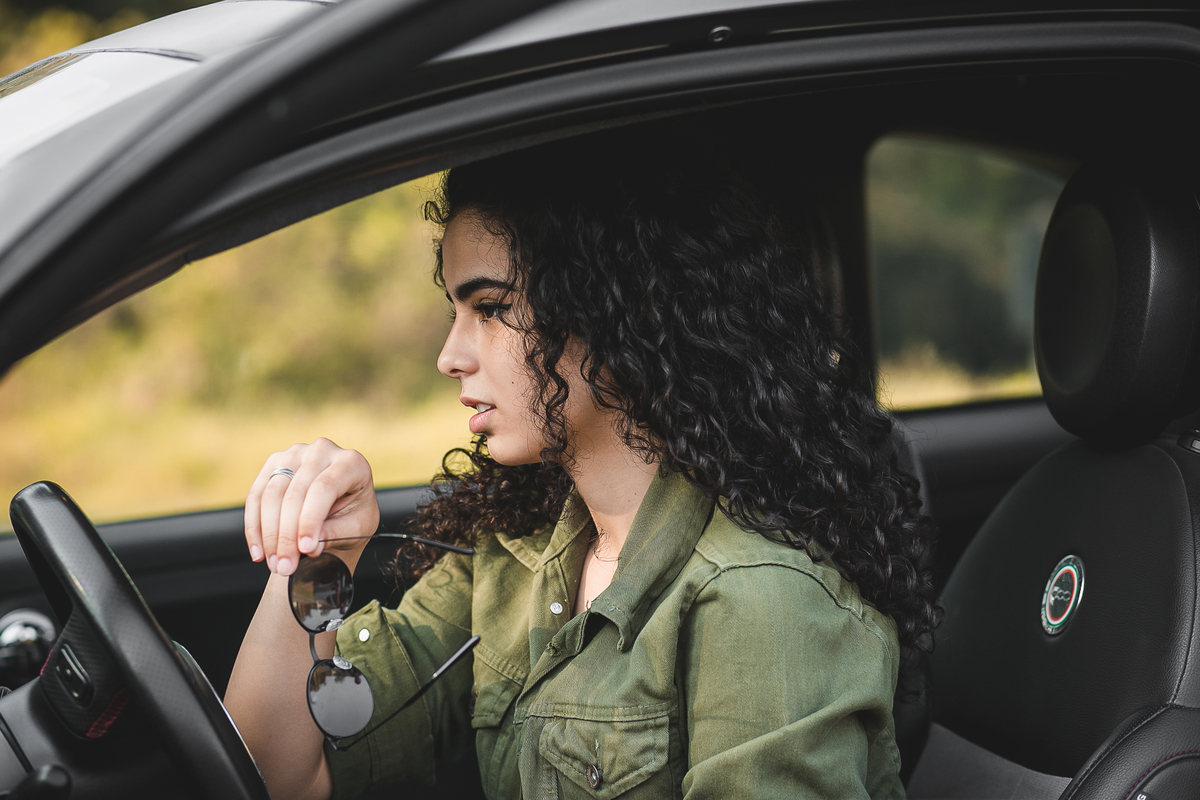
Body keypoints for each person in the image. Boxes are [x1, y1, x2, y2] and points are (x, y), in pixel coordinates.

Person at [224, 135, 939, 800]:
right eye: (455, 312)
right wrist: (318, 556)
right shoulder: (515, 549)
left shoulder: (762, 601)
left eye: (490, 308)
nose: (449, 356)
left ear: (615, 305)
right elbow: (279, 775)